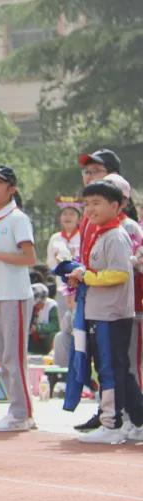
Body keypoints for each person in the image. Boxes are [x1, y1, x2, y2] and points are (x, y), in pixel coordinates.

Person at [70, 179, 143, 444]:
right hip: (100, 312)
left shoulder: (115, 235)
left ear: (116, 206)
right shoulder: (101, 233)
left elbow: (120, 273)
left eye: (97, 203)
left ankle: (111, 423)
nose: (90, 209)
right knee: (116, 368)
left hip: (111, 315)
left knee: (110, 369)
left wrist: (88, 276)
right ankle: (137, 419)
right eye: (87, 204)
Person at [0, 166, 38, 432]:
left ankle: (21, 413)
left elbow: (29, 258)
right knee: (2, 355)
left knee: (13, 355)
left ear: (11, 188)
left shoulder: (17, 218)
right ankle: (19, 409)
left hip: (15, 293)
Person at [48, 205, 82, 367]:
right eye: (64, 214)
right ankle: (64, 366)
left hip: (80, 290)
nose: (68, 217)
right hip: (62, 290)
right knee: (64, 329)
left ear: (78, 218)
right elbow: (49, 263)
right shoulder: (55, 238)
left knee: (80, 328)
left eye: (72, 214)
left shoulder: (82, 236)